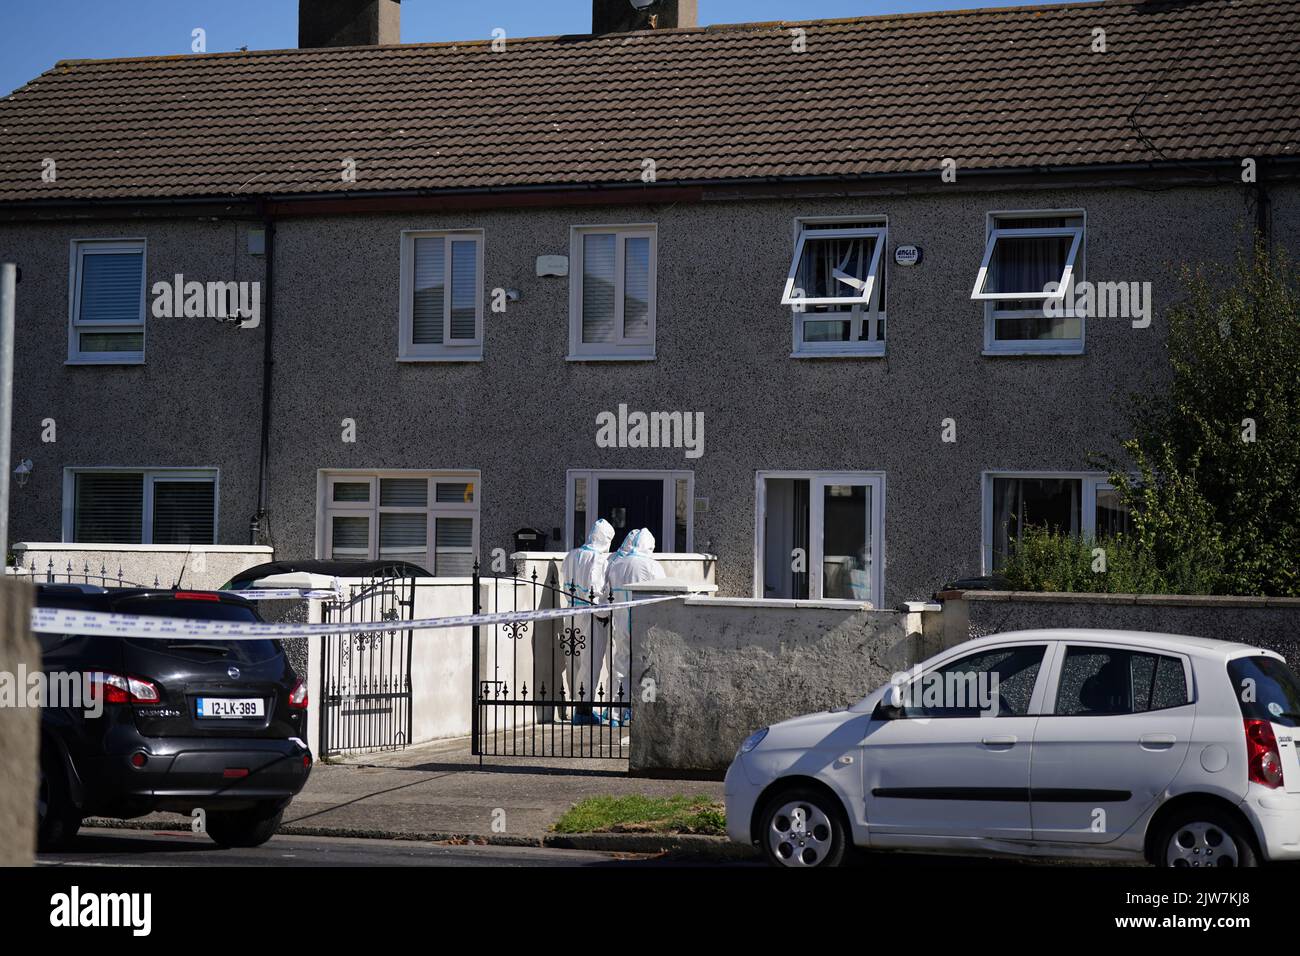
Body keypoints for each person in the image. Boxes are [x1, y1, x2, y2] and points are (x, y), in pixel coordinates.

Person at [600, 528, 666, 725]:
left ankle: (615, 712)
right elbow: (663, 597)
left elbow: (606, 597)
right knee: (647, 668)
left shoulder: (616, 565)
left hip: (620, 625)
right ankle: (644, 711)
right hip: (645, 627)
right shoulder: (653, 566)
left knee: (620, 666)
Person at [559, 519, 614, 724]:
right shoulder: (598, 559)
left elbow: (566, 584)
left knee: (577, 661)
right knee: (591, 664)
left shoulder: (572, 554)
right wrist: (604, 613)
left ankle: (580, 705)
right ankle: (583, 710)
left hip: (572, 612)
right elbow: (596, 591)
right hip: (591, 615)